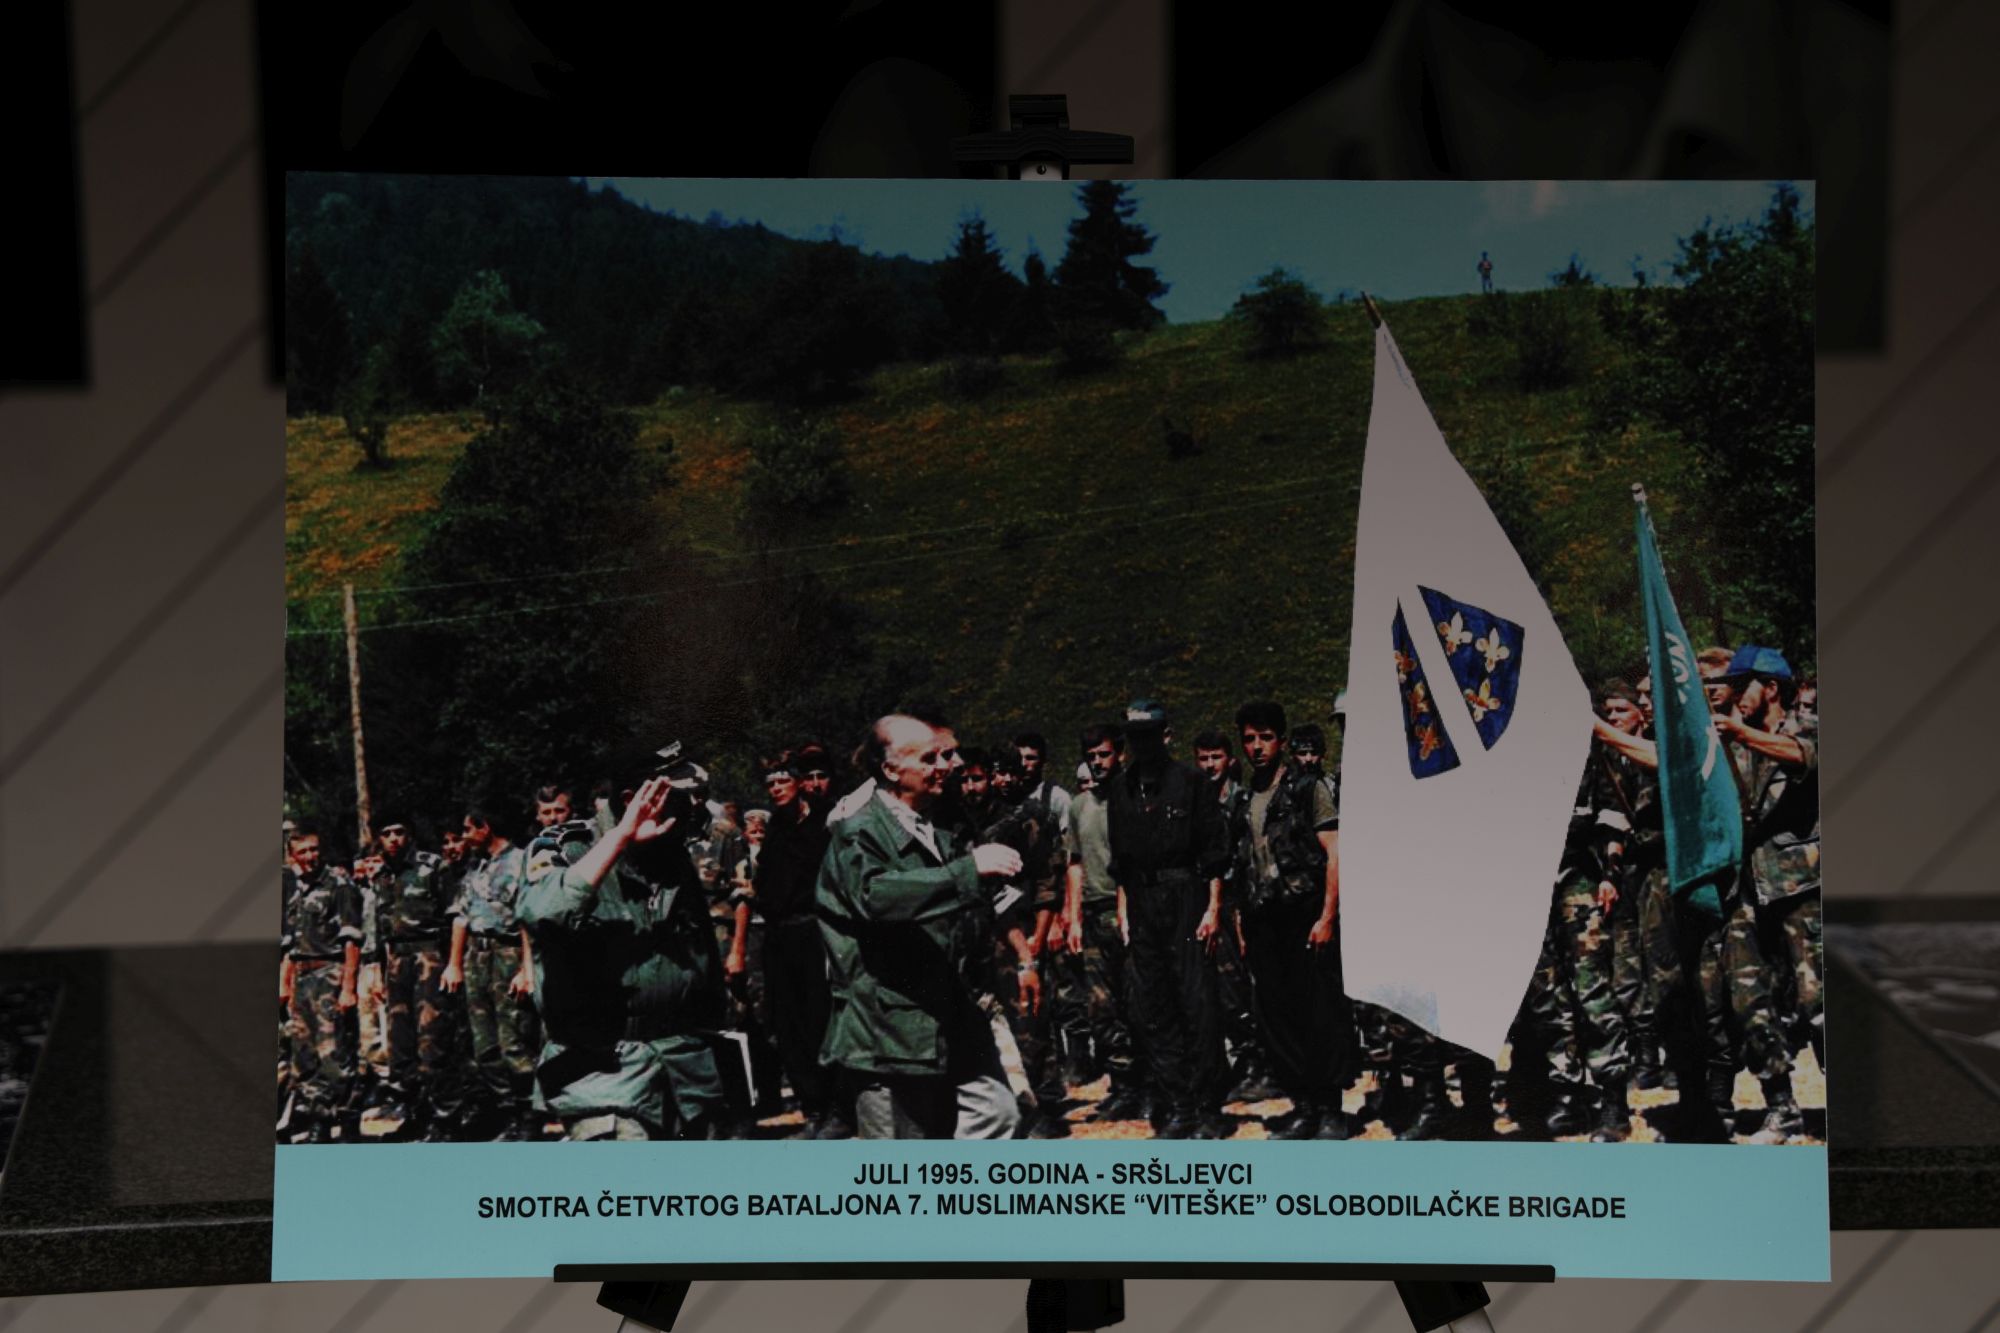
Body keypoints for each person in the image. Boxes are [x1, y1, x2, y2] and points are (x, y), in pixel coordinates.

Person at [816, 714, 1026, 1140]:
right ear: (891, 770)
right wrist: (968, 872)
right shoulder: (859, 832)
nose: (946, 766)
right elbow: (875, 896)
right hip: (888, 1031)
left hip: (946, 1016)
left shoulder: (938, 825)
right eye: (930, 759)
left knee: (999, 1114)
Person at [517, 759, 731, 1140]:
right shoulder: (563, 844)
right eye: (682, 801)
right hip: (604, 1068)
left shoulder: (673, 853)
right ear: (633, 800)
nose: (695, 812)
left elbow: (699, 951)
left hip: (684, 1067)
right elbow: (543, 912)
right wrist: (619, 839)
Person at [1104, 699, 1232, 1139]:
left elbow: (1214, 853)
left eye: (1149, 736)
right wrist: (1124, 912)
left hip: (1186, 899)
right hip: (1142, 904)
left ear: (1166, 736)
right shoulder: (1119, 789)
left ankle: (1209, 1106)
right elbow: (1120, 863)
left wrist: (1212, 909)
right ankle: (1179, 1104)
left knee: (1198, 1005)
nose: (1142, 745)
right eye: (1134, 737)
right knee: (1153, 1007)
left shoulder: (1191, 782)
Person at [1229, 702, 1352, 1139]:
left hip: (1305, 917)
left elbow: (1334, 853)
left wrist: (1327, 916)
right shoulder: (1243, 799)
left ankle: (1330, 1108)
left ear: (1281, 741)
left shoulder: (1306, 788)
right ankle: (1303, 1104)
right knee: (1278, 1016)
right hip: (1264, 921)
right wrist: (1241, 923)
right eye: (1249, 739)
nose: (1257, 747)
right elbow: (1242, 863)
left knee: (1321, 1013)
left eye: (1265, 737)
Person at [757, 751, 848, 1138]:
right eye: (770, 784)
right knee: (787, 1024)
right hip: (779, 935)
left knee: (821, 1019)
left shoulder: (824, 824)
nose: (776, 789)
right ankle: (812, 1106)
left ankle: (838, 1107)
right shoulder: (774, 827)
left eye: (783, 781)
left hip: (815, 931)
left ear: (799, 784)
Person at [1063, 725, 1149, 1121]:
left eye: (1104, 754)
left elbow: (1136, 862)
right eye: (1091, 756)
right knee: (1101, 1006)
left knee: (1138, 1002)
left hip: (1130, 911)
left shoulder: (1134, 796)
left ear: (1120, 754)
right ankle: (1123, 1083)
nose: (1098, 762)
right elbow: (1075, 863)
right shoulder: (1079, 806)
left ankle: (1150, 1085)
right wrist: (1073, 916)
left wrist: (1129, 911)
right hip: (1094, 914)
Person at [443, 807, 541, 1140]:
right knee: (484, 1045)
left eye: (467, 829)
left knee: (514, 1041)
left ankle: (530, 1114)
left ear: (485, 828)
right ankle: (508, 1110)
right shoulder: (475, 867)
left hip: (508, 954)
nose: (464, 836)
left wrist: (526, 969)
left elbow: (528, 918)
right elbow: (461, 916)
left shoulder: (521, 861)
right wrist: (455, 963)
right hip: (477, 956)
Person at [1193, 729, 1277, 1103]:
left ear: (1229, 760)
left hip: (1237, 902)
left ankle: (1260, 1065)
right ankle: (1242, 1061)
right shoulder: (1196, 801)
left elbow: (1248, 857)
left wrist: (1241, 913)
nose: (1210, 765)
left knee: (1242, 986)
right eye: (1203, 758)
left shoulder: (1241, 800)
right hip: (1207, 903)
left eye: (1216, 758)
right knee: (1218, 987)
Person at [374, 818, 467, 1140]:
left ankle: (446, 1120)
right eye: (386, 833)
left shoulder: (433, 867)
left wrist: (454, 964)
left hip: (430, 957)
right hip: (396, 963)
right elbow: (381, 930)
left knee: (433, 1042)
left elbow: (457, 916)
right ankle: (416, 1115)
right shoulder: (381, 875)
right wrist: (380, 974)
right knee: (401, 1048)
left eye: (399, 832)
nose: (393, 839)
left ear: (409, 834)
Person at [279, 824, 362, 1142]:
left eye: (314, 849)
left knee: (335, 1054)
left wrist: (348, 987)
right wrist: (286, 983)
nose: (310, 856)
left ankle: (348, 1120)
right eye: (303, 851)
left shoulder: (339, 884)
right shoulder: (297, 890)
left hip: (330, 973)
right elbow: (292, 944)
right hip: (302, 976)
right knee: (305, 1055)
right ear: (293, 856)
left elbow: (351, 939)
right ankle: (319, 1120)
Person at [1014, 731, 1073, 832]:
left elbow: (1068, 836)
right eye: (1019, 758)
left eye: (1030, 758)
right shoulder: (1005, 796)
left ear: (1042, 761)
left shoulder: (1057, 797)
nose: (1023, 763)